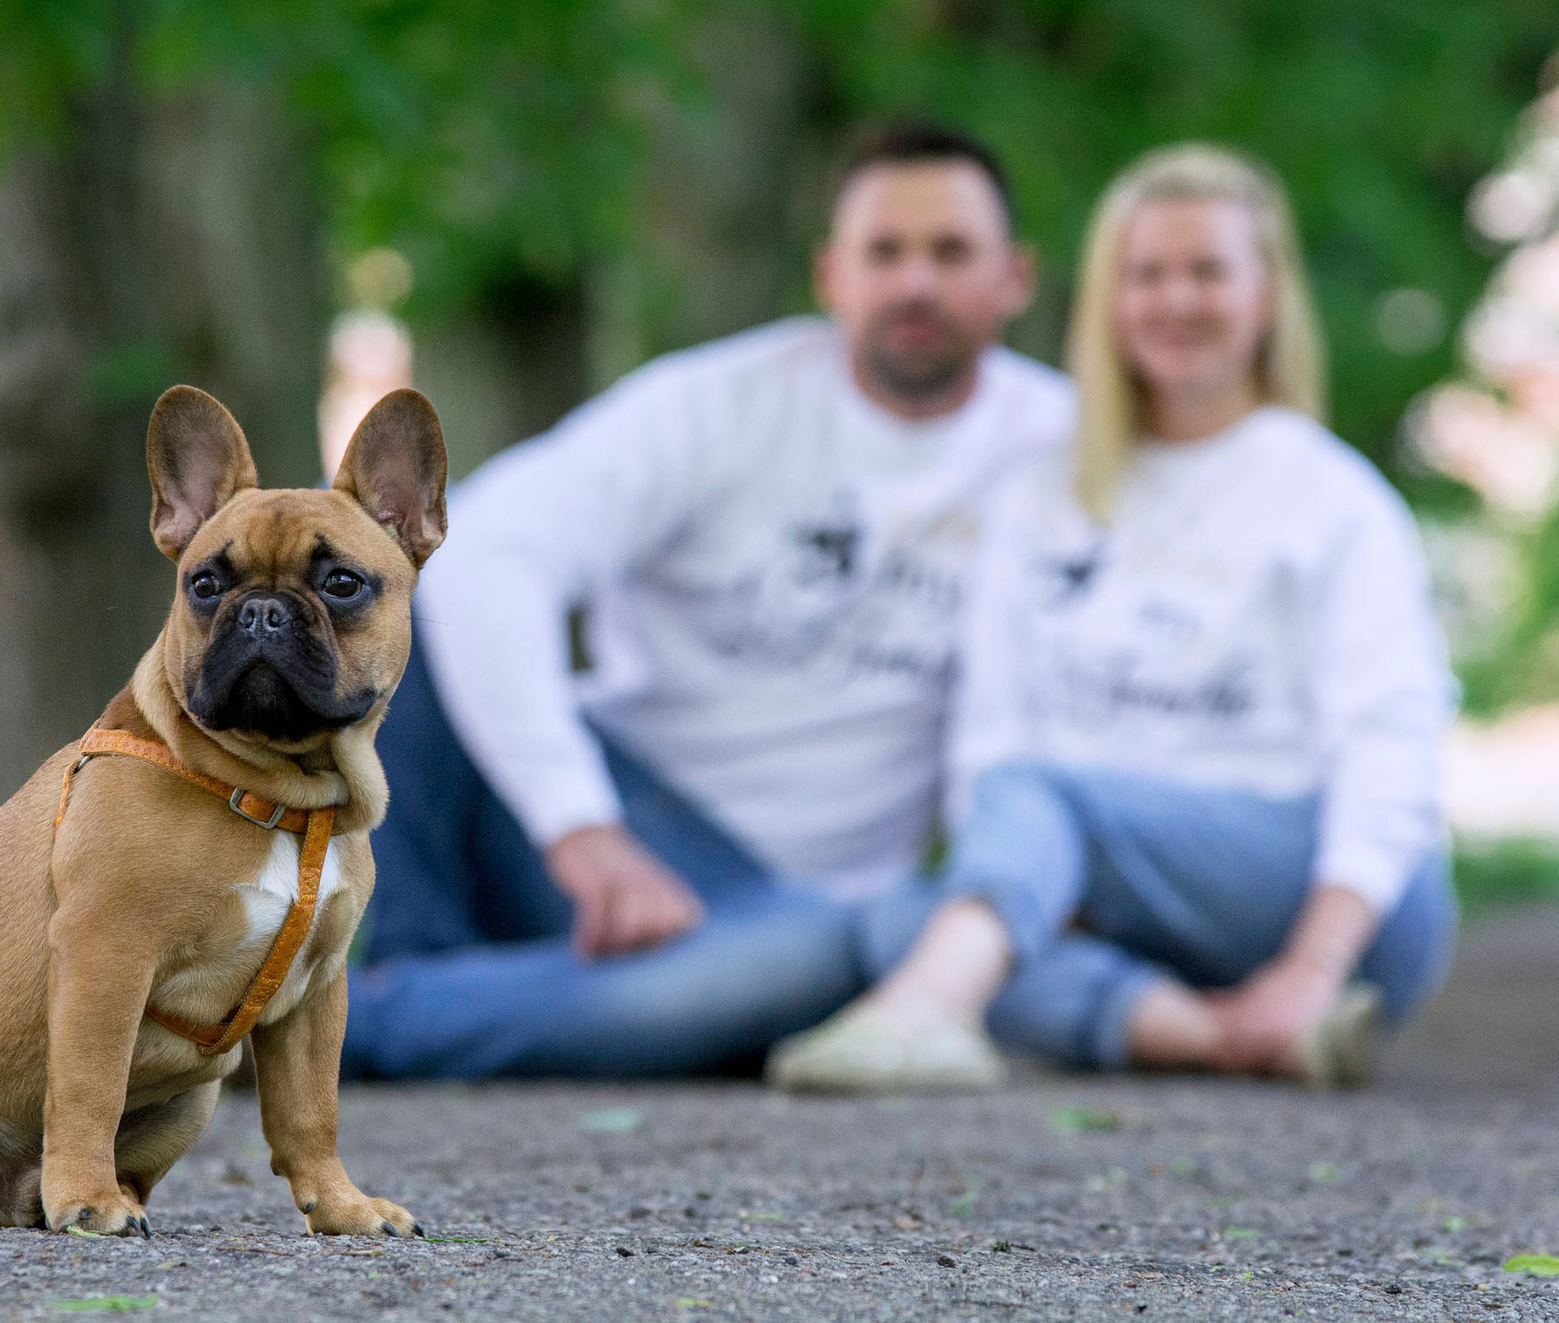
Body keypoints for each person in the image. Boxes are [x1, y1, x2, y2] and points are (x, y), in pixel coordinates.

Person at [343, 120, 1073, 1079]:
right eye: (885, 252)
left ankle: (327, 1028)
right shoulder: (716, 405)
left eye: (951, 252)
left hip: (793, 913)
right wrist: (582, 826)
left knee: (837, 942)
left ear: (1014, 278)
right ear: (832, 275)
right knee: (410, 594)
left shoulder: (1064, 451)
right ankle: (426, 981)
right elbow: (484, 549)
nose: (916, 283)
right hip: (594, 831)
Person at [766, 142, 1458, 1093]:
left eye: (1207, 270)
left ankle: (925, 1011)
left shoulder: (1333, 500)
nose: (1176, 300)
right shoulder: (1041, 496)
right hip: (1130, 908)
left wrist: (1312, 964)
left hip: (1329, 896)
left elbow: (1392, 748)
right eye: (1147, 275)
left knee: (1026, 823)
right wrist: (1046, 876)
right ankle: (1221, 1037)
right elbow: (989, 742)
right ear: (1108, 299)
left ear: (1266, 293)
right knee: (898, 919)